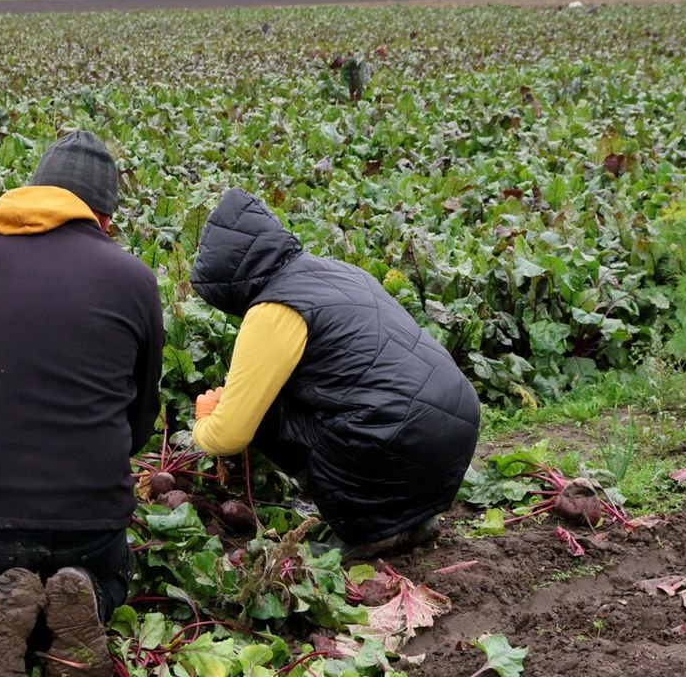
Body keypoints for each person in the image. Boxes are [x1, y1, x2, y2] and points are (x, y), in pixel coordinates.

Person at [0, 131, 164, 677]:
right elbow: (140, 420)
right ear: (104, 218)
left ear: (33, 194)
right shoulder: (134, 278)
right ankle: (88, 590)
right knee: (113, 577)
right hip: (89, 517)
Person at [189, 188, 479, 559]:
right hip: (458, 425)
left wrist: (205, 417)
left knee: (263, 418)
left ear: (225, 279)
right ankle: (413, 519)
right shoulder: (339, 272)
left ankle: (365, 529)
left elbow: (229, 434)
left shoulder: (273, 309)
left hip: (397, 434)